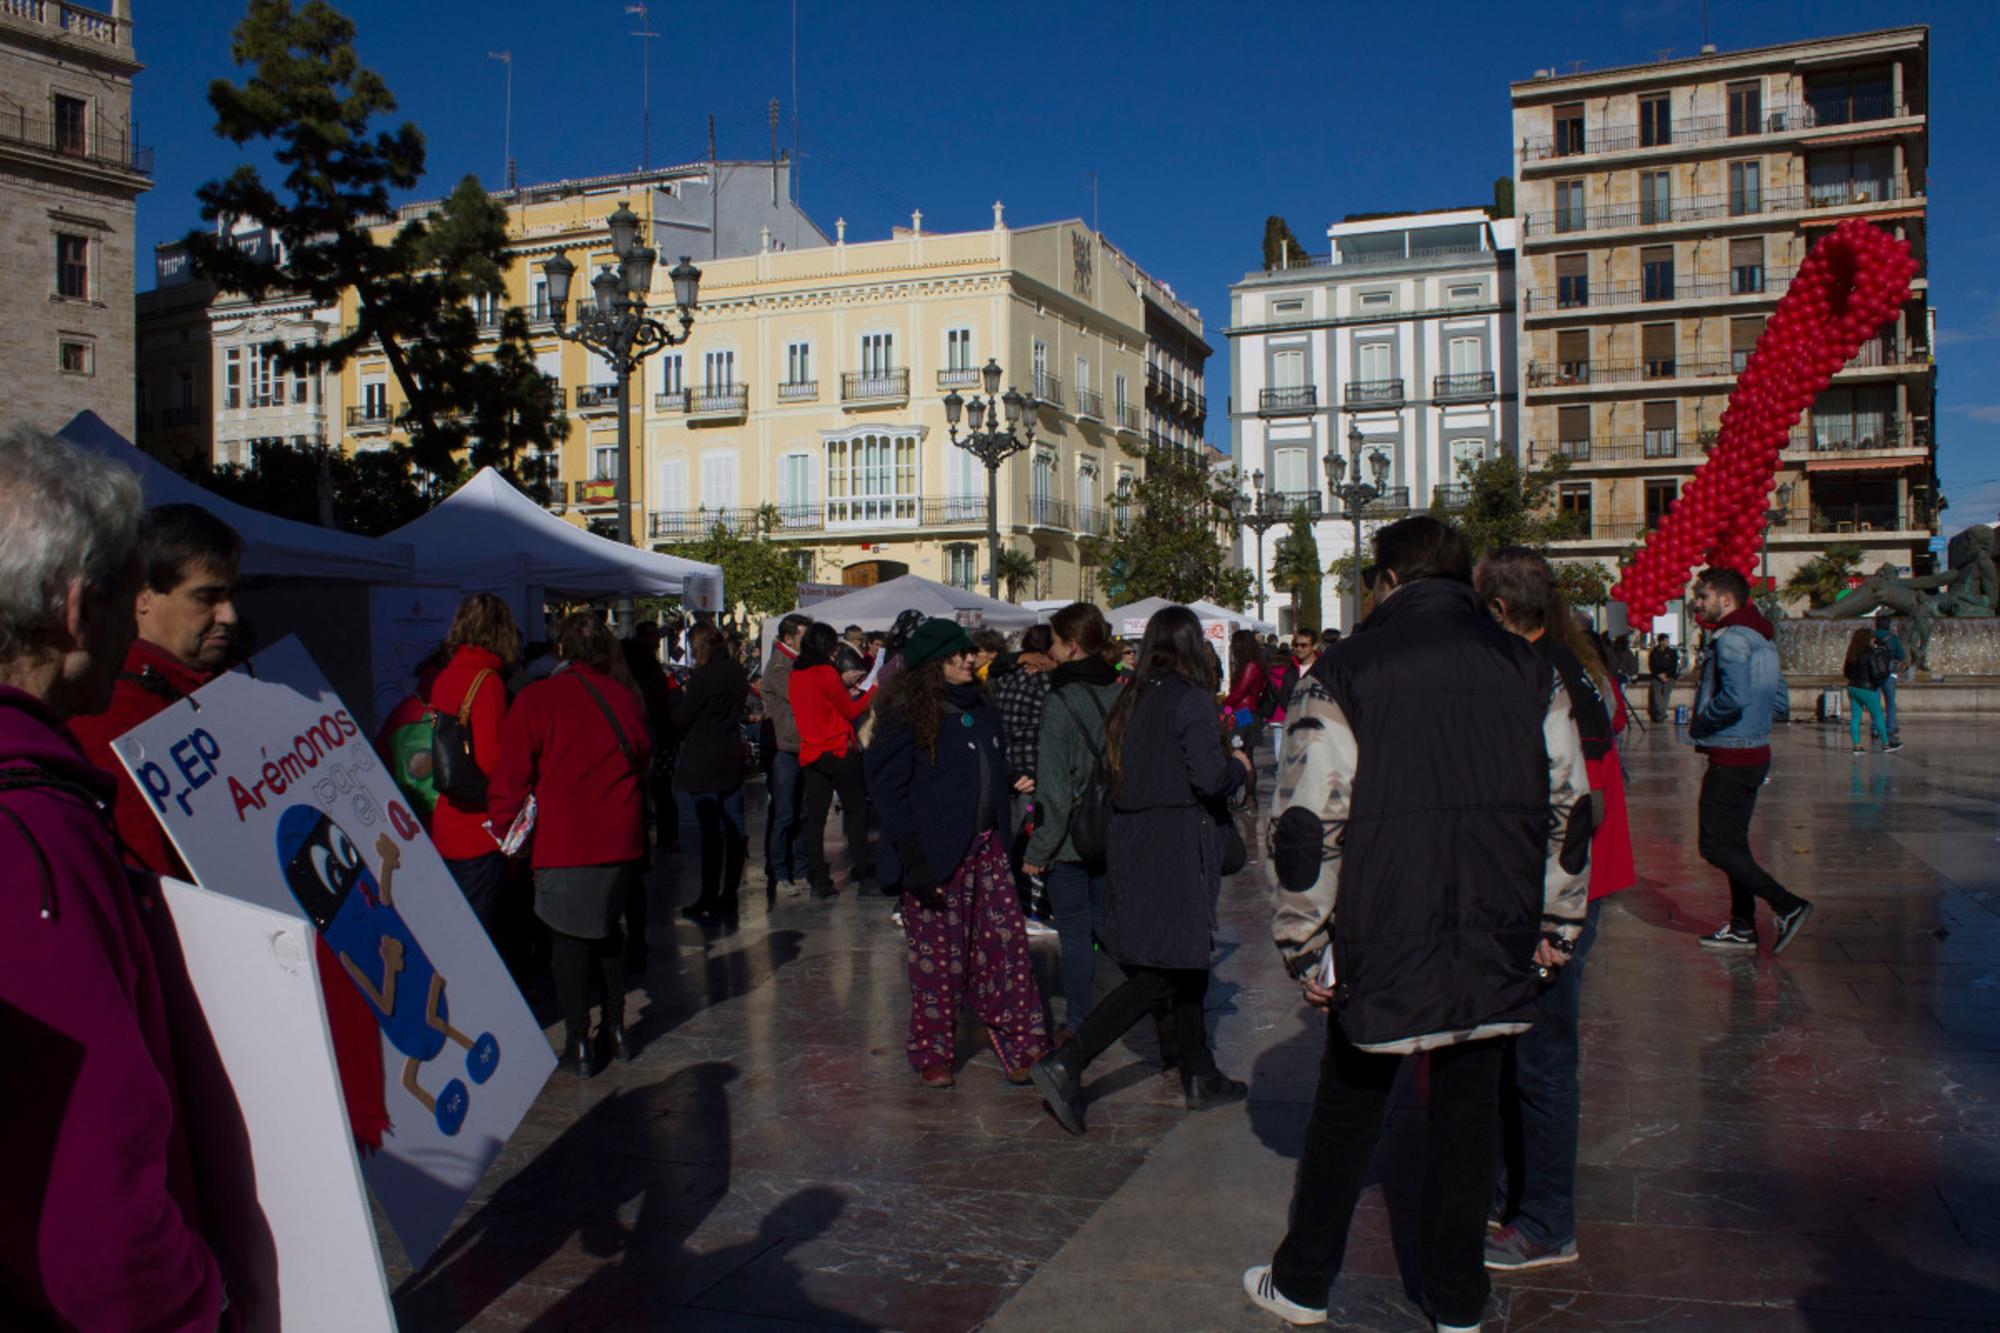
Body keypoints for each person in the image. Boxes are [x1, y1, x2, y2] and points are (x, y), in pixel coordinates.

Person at [1242, 517, 1591, 1333]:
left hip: (1380, 926)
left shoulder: (1343, 668)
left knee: (1348, 1110)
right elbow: (1571, 807)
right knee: (1471, 1116)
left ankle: (1304, 1283)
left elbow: (1305, 821)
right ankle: (1459, 1299)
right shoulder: (1530, 666)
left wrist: (1304, 942)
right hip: (1496, 925)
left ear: (1389, 579)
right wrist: (1559, 920)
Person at [0, 426, 229, 1330]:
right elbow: (91, 1199)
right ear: (73, 611)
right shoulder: (35, 829)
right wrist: (200, 1303)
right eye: (126, 590)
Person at [1030, 605, 1255, 1135]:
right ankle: (1070, 1060)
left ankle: (1199, 1071)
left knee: (1187, 957)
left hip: (1132, 838)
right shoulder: (1189, 698)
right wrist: (1238, 769)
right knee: (1166, 968)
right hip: (1176, 842)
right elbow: (1207, 777)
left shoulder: (1133, 696)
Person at [1475, 549, 1636, 1274]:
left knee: (1540, 1060)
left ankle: (1546, 1221)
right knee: (1526, 1050)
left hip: (1560, 891)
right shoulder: (1582, 664)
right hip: (1582, 882)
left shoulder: (1534, 676)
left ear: (1503, 611)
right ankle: (1513, 1194)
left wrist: (1551, 919)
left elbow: (1568, 806)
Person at [865, 619, 1047, 1087]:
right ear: (933, 664)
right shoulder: (905, 715)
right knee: (937, 962)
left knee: (1007, 950)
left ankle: (1022, 1043)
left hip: (987, 850)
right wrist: (913, 863)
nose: (970, 659)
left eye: (968, 652)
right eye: (957, 655)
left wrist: (1006, 778)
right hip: (933, 856)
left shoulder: (981, 706)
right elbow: (888, 795)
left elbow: (984, 759)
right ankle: (933, 1051)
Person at [487, 613, 652, 1075]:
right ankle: (616, 1029)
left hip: (567, 839)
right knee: (606, 929)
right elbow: (642, 753)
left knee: (569, 942)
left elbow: (511, 774)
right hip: (619, 837)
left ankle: (579, 1039)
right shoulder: (623, 697)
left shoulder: (539, 699)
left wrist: (505, 829)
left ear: (561, 650)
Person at [67, 502, 241, 875]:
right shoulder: (113, 711)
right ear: (143, 596)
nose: (229, 616)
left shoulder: (210, 688)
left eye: (229, 597)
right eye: (207, 598)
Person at [1689, 566, 1812, 954]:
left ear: (1726, 600)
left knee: (1713, 845)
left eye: (1702, 596)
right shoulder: (1763, 639)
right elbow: (1780, 701)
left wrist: (1702, 720)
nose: (1697, 603)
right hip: (1755, 752)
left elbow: (1735, 697)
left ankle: (1787, 904)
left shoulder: (1730, 640)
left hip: (1731, 753)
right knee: (1735, 843)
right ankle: (1743, 926)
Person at [1021, 603, 1124, 1043]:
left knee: (1077, 932)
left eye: (1057, 642)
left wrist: (1038, 850)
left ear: (1072, 645)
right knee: (1108, 924)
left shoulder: (1060, 700)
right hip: (1113, 828)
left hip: (1069, 839)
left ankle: (1080, 1021)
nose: (1052, 650)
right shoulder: (1122, 692)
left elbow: (1054, 787)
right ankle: (1143, 1005)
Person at [425, 593, 519, 938]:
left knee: (456, 930)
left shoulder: (445, 675)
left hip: (448, 818)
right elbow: (492, 761)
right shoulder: (488, 681)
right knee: (480, 935)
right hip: (478, 828)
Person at [789, 621, 877, 898]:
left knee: (815, 820)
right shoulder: (826, 672)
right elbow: (851, 711)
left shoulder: (796, 674)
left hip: (811, 752)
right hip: (837, 750)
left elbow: (822, 703)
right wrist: (872, 688)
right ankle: (864, 871)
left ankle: (818, 878)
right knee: (855, 813)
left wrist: (843, 686)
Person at [673, 623, 750, 922]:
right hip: (729, 754)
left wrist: (676, 702)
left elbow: (683, 717)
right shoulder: (735, 671)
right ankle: (728, 893)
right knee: (734, 828)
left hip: (705, 758)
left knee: (710, 833)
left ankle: (708, 894)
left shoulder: (703, 677)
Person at [991, 624, 1057, 915]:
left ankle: (1007, 897)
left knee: (1010, 832)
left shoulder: (1006, 677)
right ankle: (1034, 901)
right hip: (1035, 764)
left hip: (1006, 762)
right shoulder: (1048, 680)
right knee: (1034, 835)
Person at [760, 613, 810, 898]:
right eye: (804, 636)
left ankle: (800, 868)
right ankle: (780, 871)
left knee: (802, 811)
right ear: (790, 638)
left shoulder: (797, 663)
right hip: (784, 747)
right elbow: (799, 696)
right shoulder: (781, 665)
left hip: (800, 744)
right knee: (784, 812)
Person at [1843, 627, 1896, 755]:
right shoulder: (1870, 653)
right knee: (1878, 715)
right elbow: (1875, 673)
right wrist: (1881, 678)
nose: (1873, 640)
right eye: (1872, 638)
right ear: (1867, 640)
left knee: (1855, 718)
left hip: (1852, 688)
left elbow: (1846, 672)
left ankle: (1857, 746)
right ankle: (1886, 744)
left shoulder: (1851, 654)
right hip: (1866, 689)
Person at [1221, 628, 1273, 751]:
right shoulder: (1251, 664)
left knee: (1240, 751)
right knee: (1243, 752)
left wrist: (1223, 707)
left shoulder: (1250, 666)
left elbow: (1239, 691)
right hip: (1245, 710)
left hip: (1244, 712)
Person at [1872, 616, 1907, 745]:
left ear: (1876, 624)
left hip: (1873, 674)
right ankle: (1890, 727)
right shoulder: (1893, 638)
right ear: (1888, 625)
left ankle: (1875, 728)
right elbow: (1902, 655)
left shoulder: (1871, 637)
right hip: (1889, 674)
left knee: (1874, 703)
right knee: (1890, 702)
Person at [1646, 632, 1679, 723]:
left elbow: (1674, 666)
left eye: (1668, 640)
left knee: (1666, 694)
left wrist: (1667, 675)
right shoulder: (1654, 653)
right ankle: (1661, 713)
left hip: (1669, 676)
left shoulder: (1672, 652)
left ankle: (1660, 714)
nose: (1667, 642)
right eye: (1665, 640)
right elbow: (1652, 666)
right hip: (1657, 676)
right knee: (1656, 693)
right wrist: (1659, 674)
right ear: (1660, 641)